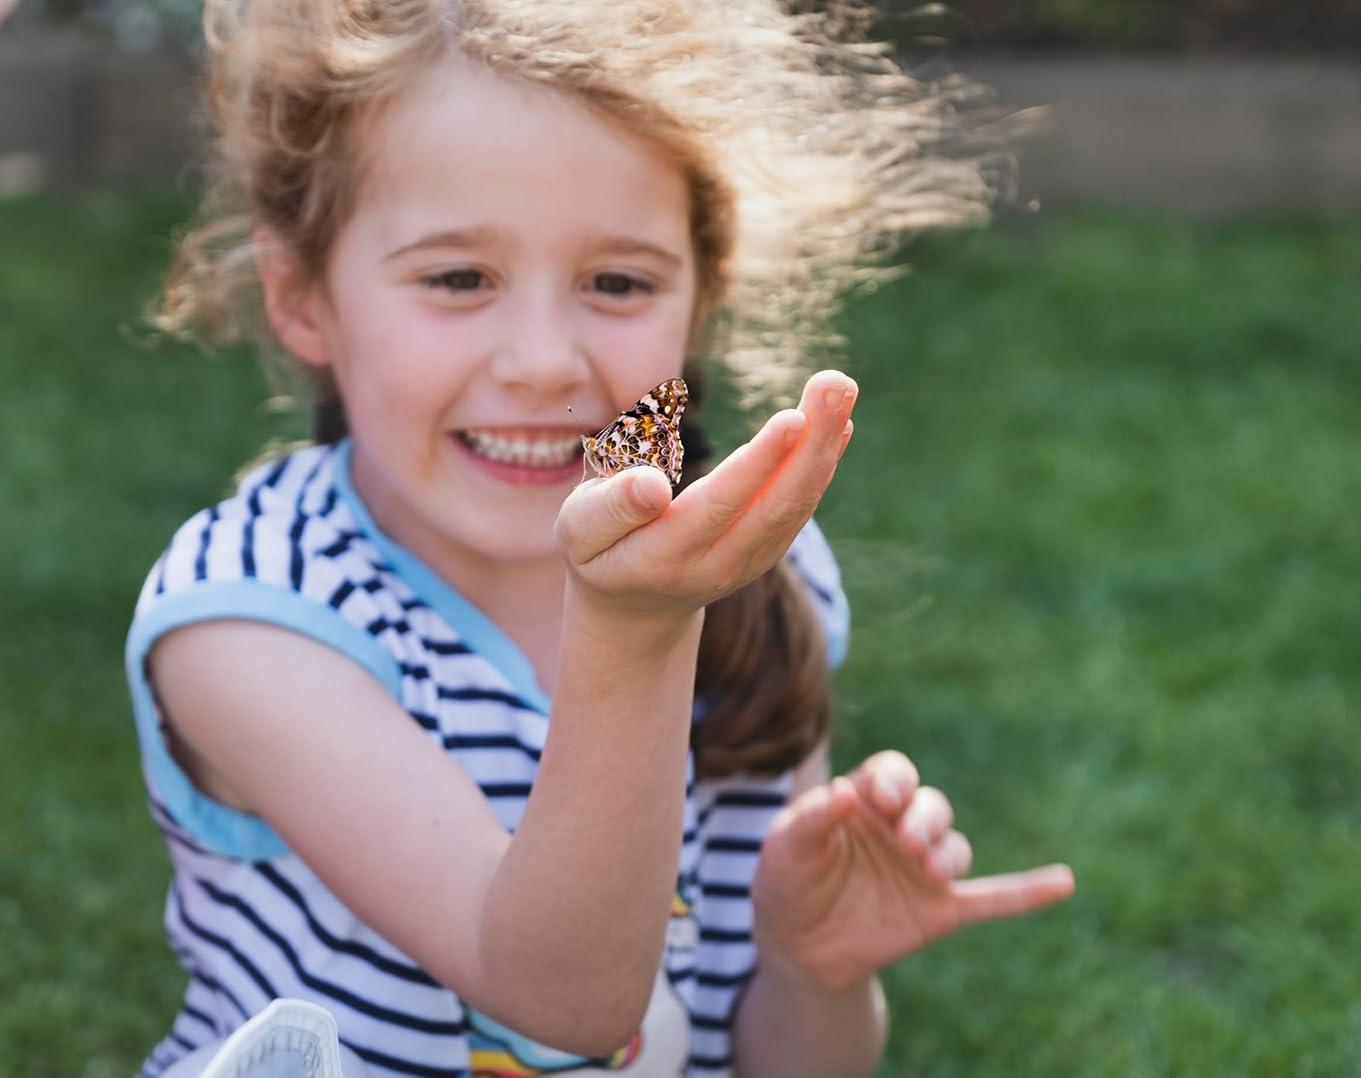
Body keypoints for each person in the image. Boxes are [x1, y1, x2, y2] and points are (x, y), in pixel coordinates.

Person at [126, 1, 1076, 1074]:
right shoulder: (251, 615)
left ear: (698, 298)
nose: (543, 361)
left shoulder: (759, 573)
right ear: (301, 296)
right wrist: (635, 626)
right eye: (458, 278)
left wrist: (812, 967)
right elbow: (560, 998)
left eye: (617, 282)